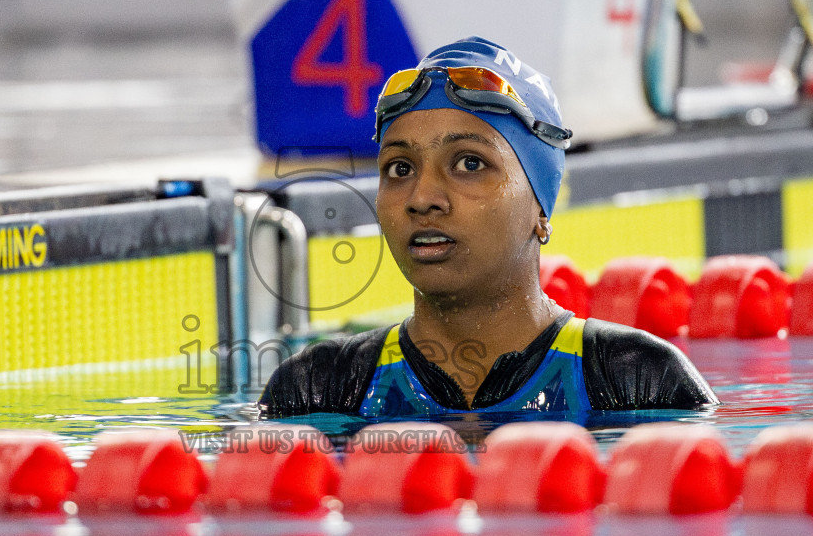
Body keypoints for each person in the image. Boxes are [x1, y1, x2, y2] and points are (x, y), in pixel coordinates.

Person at [260, 36, 716, 420]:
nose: (422, 198)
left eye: (469, 163)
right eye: (400, 168)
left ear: (540, 205)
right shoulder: (318, 388)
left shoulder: (636, 378)